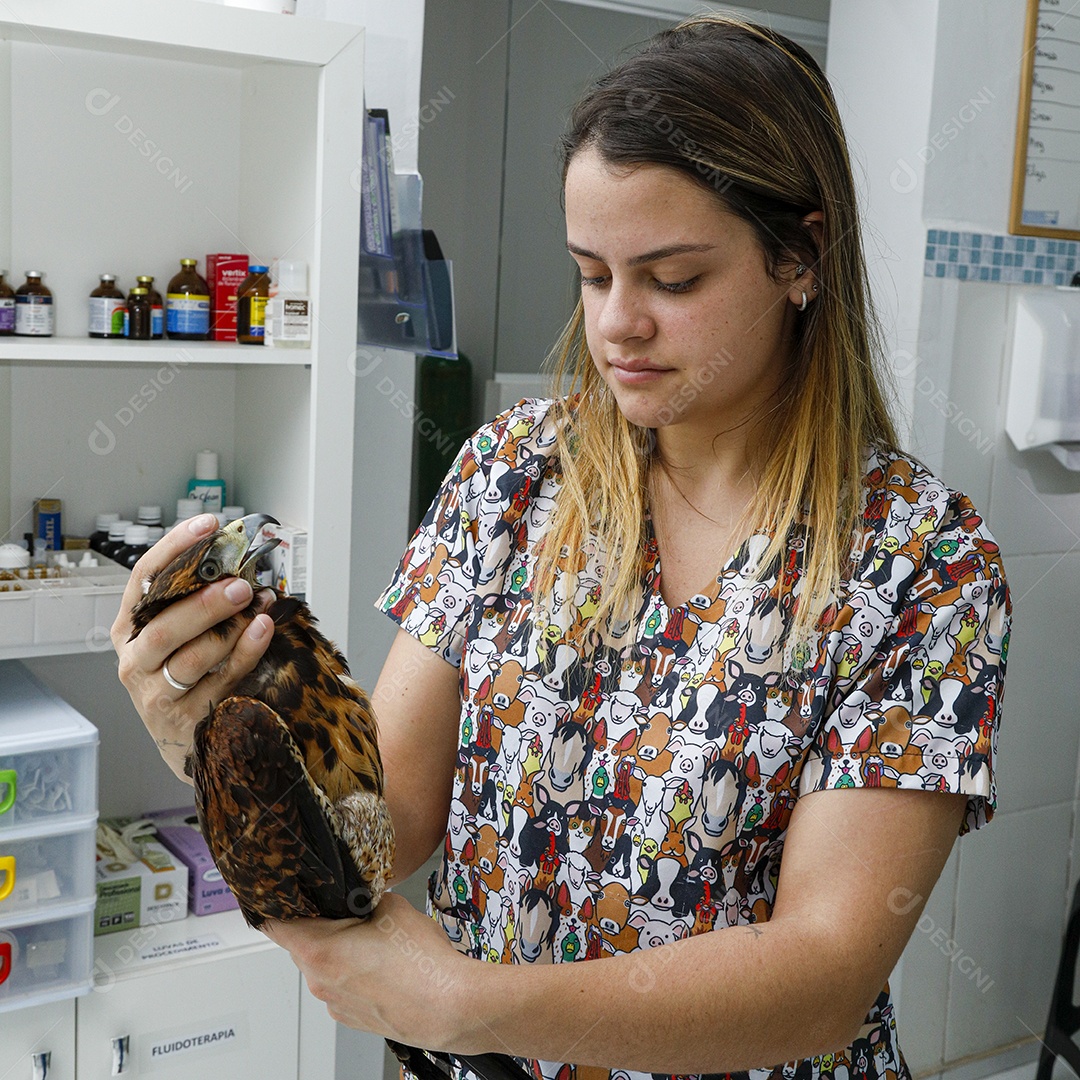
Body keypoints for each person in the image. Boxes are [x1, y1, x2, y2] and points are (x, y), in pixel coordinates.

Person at [113, 14, 1010, 1080]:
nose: (618, 323)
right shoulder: (511, 476)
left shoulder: (922, 562)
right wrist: (212, 740)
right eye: (593, 274)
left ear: (800, 257)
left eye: (673, 279)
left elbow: (823, 976)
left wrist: (472, 1004)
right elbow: (383, 826)